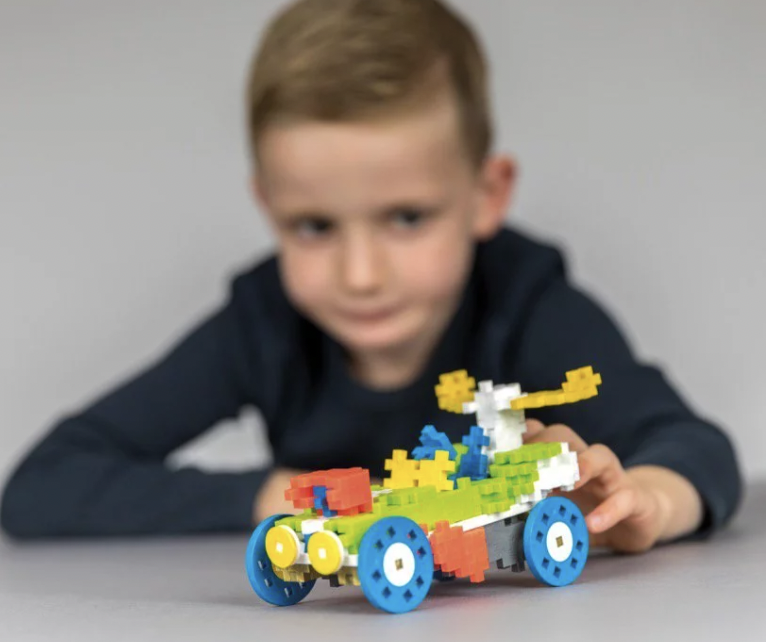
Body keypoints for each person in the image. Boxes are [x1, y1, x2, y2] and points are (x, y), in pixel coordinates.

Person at [0, 0, 741, 552]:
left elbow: (693, 445)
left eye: (407, 218)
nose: (360, 275)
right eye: (314, 226)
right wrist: (287, 498)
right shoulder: (264, 324)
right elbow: (43, 485)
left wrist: (648, 501)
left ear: (486, 195)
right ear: (269, 206)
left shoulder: (525, 305)